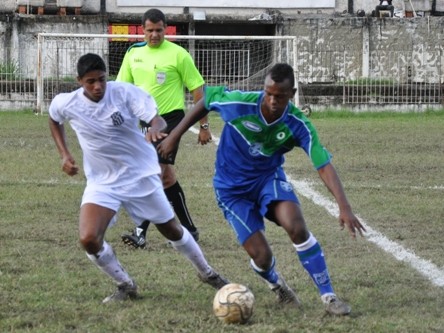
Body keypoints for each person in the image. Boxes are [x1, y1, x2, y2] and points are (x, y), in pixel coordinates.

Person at [157, 63, 366, 315]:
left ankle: (329, 297)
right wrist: (174, 136)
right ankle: (277, 285)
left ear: (292, 93)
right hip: (231, 191)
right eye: (268, 93)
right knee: (262, 256)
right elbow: (207, 98)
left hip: (268, 179)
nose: (272, 100)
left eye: (279, 96)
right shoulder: (241, 103)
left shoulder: (298, 124)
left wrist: (344, 207)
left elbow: (323, 164)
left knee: (297, 226)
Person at [48, 53, 228, 303]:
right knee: (88, 238)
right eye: (90, 81)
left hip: (140, 175)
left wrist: (155, 128)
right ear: (79, 81)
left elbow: (157, 118)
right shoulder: (67, 102)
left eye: (101, 79)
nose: (98, 86)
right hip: (102, 182)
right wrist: (64, 154)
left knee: (172, 230)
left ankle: (208, 273)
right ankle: (125, 284)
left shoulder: (123, 93)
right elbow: (54, 119)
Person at [116, 8, 210, 249]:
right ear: (143, 30)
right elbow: (122, 90)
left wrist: (204, 126)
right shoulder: (133, 53)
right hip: (144, 122)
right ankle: (190, 230)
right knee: (166, 178)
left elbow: (198, 90)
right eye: (150, 30)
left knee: (154, 173)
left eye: (159, 30)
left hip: (171, 121)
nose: (154, 35)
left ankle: (140, 232)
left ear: (165, 29)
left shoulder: (178, 55)